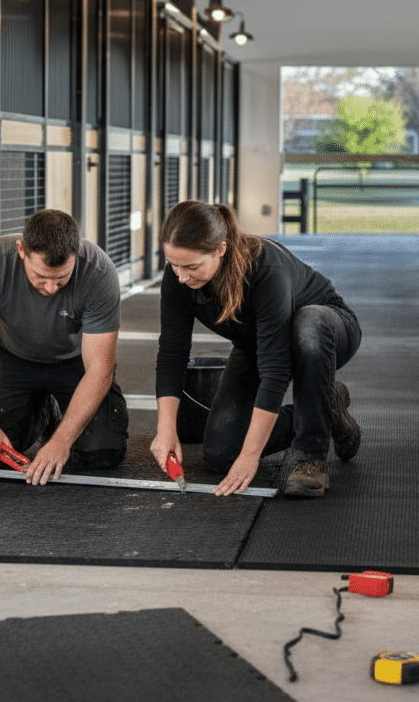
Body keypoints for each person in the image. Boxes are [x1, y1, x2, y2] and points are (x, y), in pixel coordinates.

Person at [150, 201, 362, 498]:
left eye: (192, 267)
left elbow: (275, 371)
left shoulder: (265, 268)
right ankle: (327, 408)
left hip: (326, 332)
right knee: (222, 455)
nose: (182, 276)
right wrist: (165, 430)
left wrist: (251, 456)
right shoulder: (178, 279)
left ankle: (310, 454)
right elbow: (172, 354)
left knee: (308, 324)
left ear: (220, 249)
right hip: (257, 344)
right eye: (174, 264)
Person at [0, 208, 128, 486]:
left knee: (103, 454)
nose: (52, 288)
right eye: (41, 277)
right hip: (13, 356)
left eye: (61, 278)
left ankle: (57, 420)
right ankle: (43, 412)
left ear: (76, 252)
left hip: (75, 361)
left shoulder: (99, 272)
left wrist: (62, 441)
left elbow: (99, 369)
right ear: (21, 250)